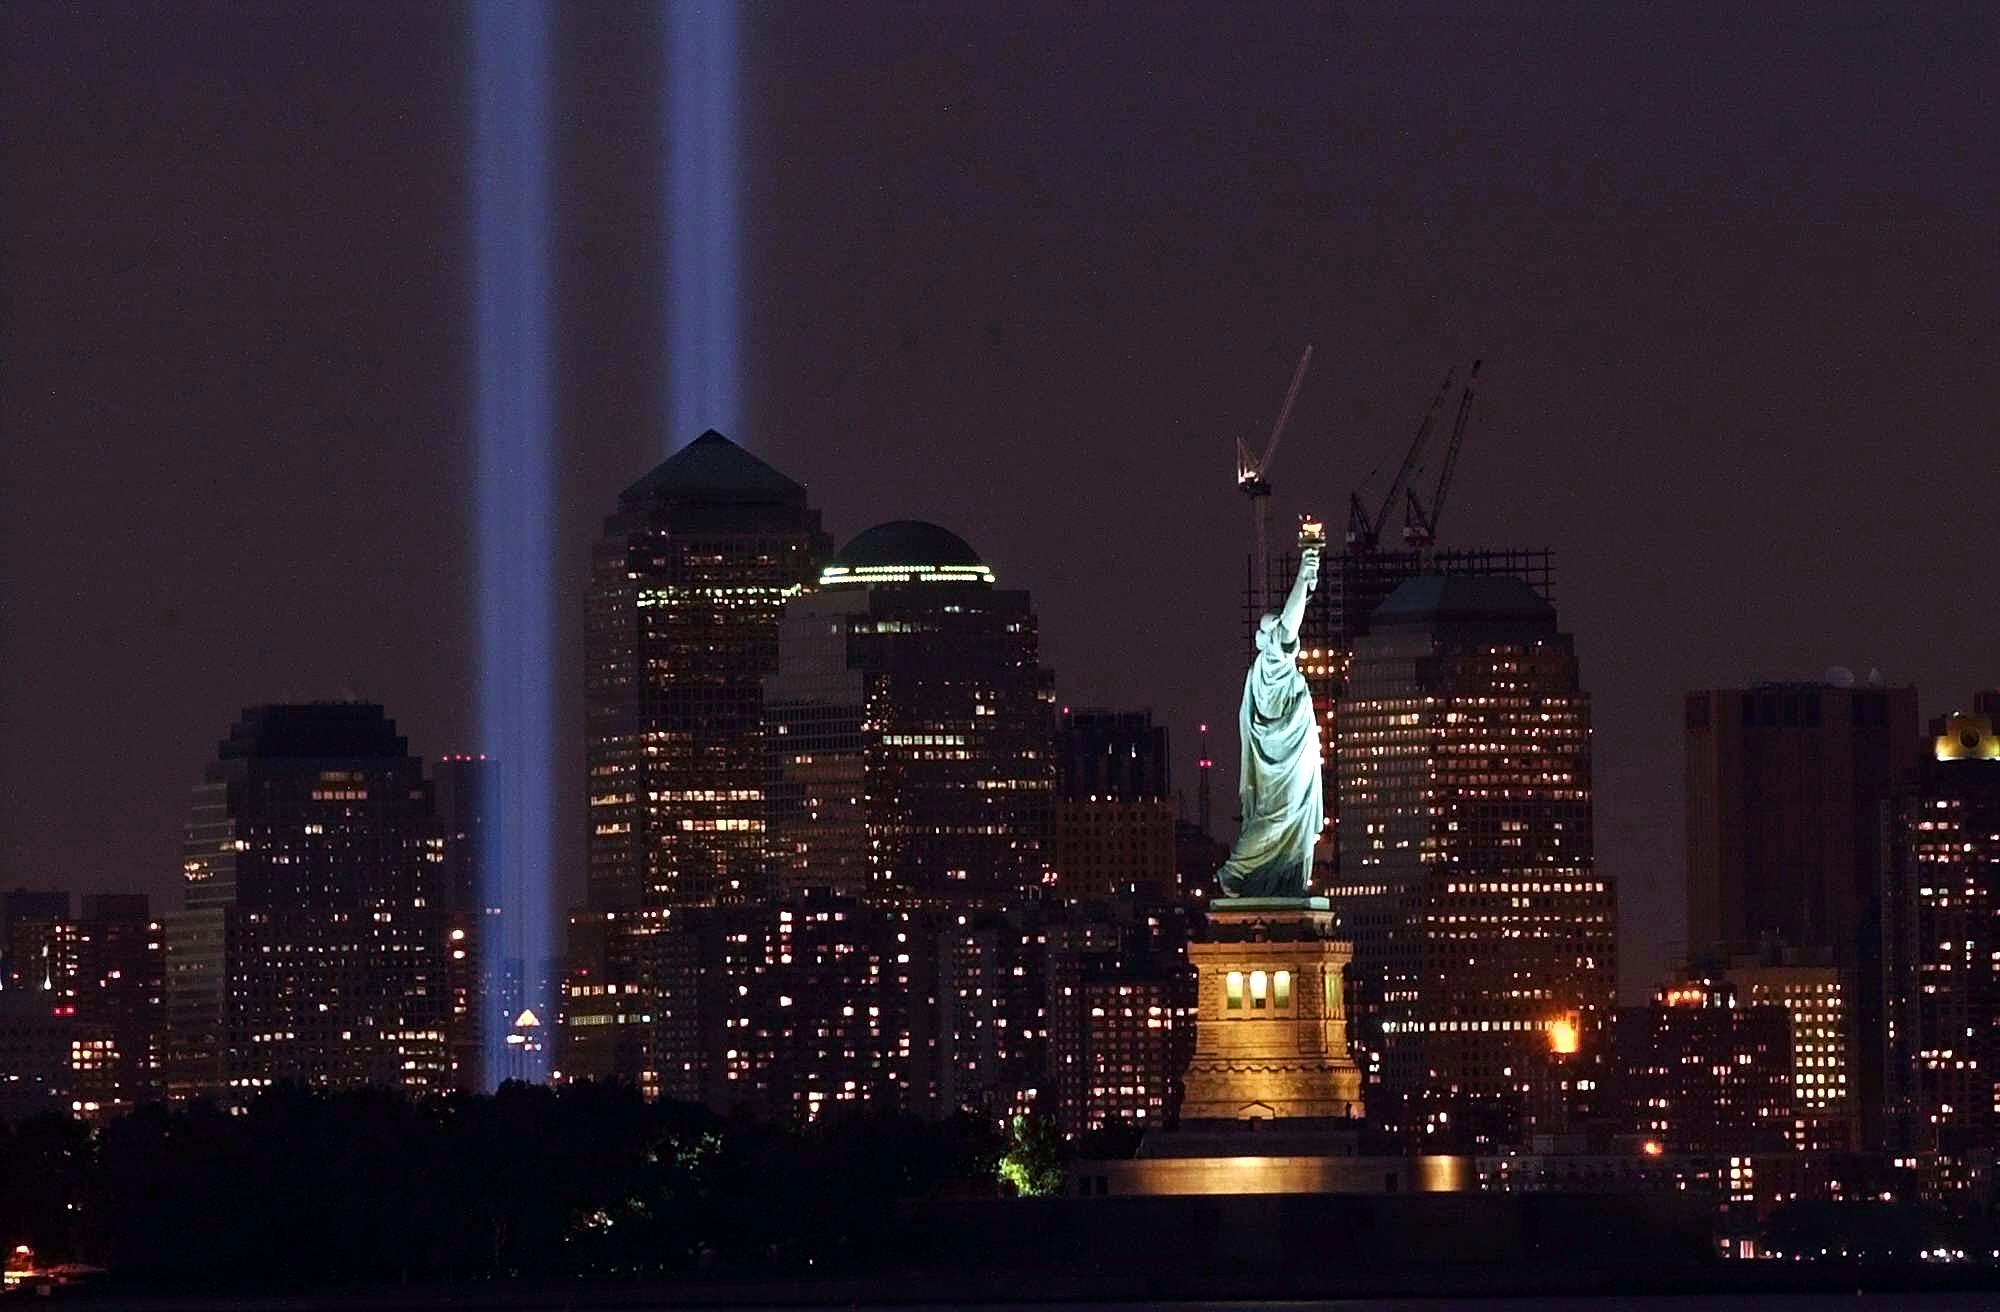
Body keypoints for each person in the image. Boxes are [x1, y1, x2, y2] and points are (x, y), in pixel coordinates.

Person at [1216, 544, 1322, 898]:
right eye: (1276, 630)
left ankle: (1280, 879)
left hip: (1288, 757)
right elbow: (1290, 624)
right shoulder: (1273, 664)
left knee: (1286, 816)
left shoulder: (1271, 671)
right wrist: (1302, 578)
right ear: (1269, 640)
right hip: (1280, 762)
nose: (1285, 634)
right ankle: (1235, 870)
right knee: (1280, 814)